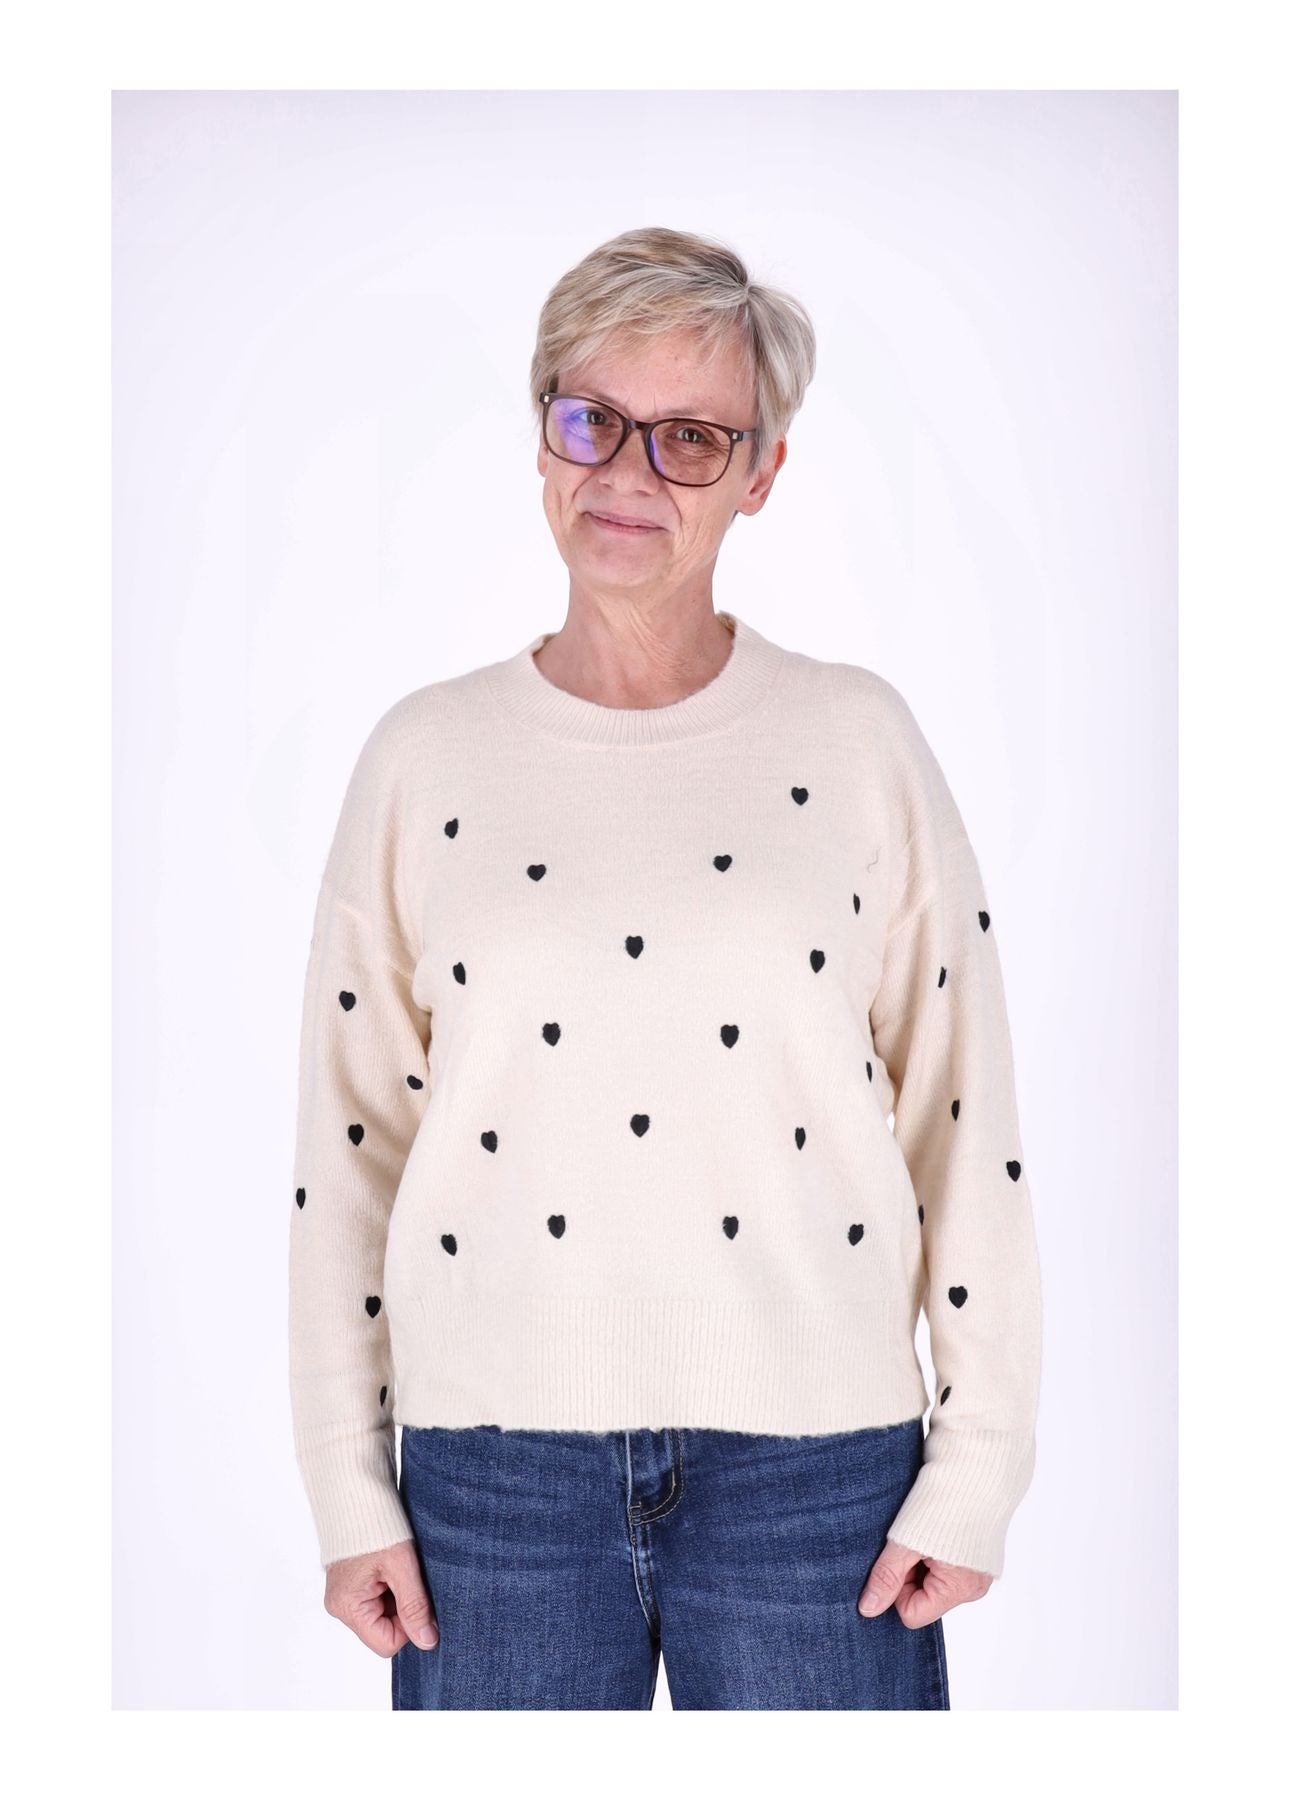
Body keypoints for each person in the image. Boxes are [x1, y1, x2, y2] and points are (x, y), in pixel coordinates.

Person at [288, 225, 1042, 1710]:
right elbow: (348, 1148)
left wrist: (979, 1468)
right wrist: (344, 1478)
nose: (629, 471)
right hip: (491, 1486)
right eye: (594, 419)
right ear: (543, 434)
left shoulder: (858, 741)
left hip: (819, 1480)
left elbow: (963, 1119)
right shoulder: (424, 758)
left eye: (691, 437)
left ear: (761, 473)